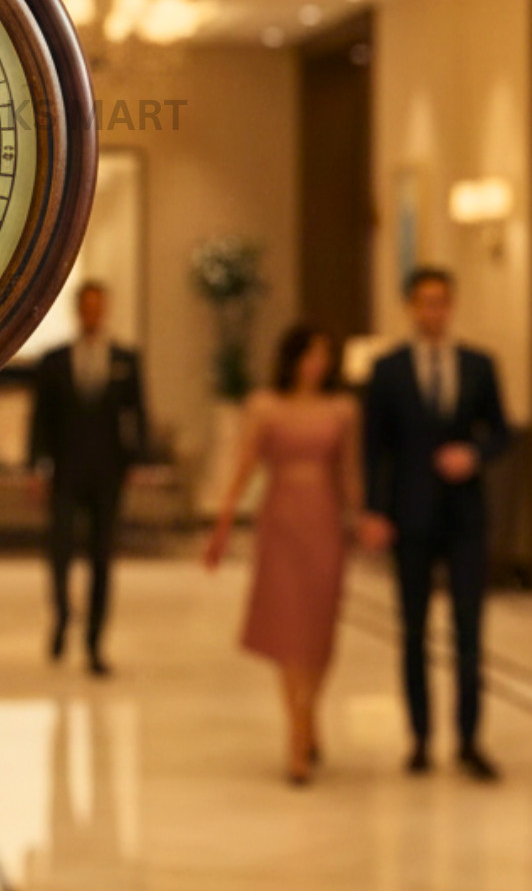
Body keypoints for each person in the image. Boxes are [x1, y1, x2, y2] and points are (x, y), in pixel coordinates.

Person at [359, 265, 511, 781]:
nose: (433, 310)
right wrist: (375, 511)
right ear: (410, 307)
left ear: (451, 306)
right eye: (425, 301)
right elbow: (373, 448)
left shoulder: (478, 366)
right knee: (414, 628)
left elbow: (501, 433)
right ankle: (420, 737)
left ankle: (469, 738)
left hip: (465, 516)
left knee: (470, 629)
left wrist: (473, 453)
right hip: (411, 514)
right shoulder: (388, 370)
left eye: (442, 301)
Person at [204, 324, 361, 785]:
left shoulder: (342, 409)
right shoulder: (265, 406)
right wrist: (222, 526)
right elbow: (244, 465)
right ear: (291, 358)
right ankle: (296, 734)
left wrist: (360, 516)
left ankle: (309, 714)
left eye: (324, 355)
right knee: (290, 627)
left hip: (326, 522)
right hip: (282, 524)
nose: (318, 364)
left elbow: (349, 470)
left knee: (320, 627)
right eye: (310, 354)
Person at [11, 280, 149, 674]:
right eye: (86, 306)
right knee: (59, 552)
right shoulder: (54, 361)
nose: (92, 313)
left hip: (108, 472)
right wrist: (36, 467)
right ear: (77, 310)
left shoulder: (125, 359)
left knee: (103, 557)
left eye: (98, 306)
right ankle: (62, 617)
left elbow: (138, 414)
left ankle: (94, 642)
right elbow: (40, 418)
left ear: (104, 310)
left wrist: (137, 461)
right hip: (66, 471)